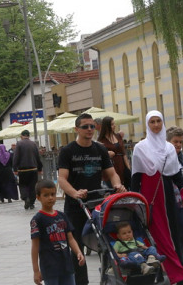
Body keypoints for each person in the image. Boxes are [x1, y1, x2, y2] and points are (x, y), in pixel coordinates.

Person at [59, 113, 126, 285]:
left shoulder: (100, 149)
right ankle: (81, 282)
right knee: (76, 248)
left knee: (106, 244)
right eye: (85, 127)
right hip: (75, 206)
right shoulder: (67, 151)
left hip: (96, 204)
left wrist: (117, 185)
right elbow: (62, 179)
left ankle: (109, 277)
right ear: (76, 129)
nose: (89, 129)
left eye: (92, 126)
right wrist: (74, 193)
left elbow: (112, 173)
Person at [132, 111, 183, 285]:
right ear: (147, 124)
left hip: (167, 200)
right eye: (152, 121)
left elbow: (177, 176)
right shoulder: (140, 148)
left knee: (172, 239)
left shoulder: (168, 148)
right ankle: (177, 277)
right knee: (156, 239)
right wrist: (135, 203)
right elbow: (135, 178)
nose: (156, 125)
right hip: (149, 200)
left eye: (159, 121)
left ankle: (178, 276)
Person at [30, 179, 85, 285]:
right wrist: (36, 271)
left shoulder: (62, 216)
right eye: (46, 195)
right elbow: (35, 247)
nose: (50, 198)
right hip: (50, 268)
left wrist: (78, 252)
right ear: (38, 197)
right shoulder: (37, 220)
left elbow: (70, 238)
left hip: (66, 265)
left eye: (52, 194)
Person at [13, 129, 43, 210]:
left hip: (22, 169)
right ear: (29, 136)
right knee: (32, 186)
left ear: (22, 136)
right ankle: (32, 203)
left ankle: (26, 198)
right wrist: (40, 168)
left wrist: (15, 168)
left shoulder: (19, 144)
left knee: (23, 185)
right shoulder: (33, 144)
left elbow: (16, 157)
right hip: (33, 168)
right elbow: (38, 157)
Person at [97, 116, 131, 185]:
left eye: (114, 124)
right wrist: (106, 153)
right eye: (112, 124)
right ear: (106, 126)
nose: (114, 126)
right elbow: (99, 156)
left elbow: (124, 153)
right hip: (111, 168)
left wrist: (128, 168)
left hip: (122, 166)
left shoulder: (118, 136)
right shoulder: (101, 140)